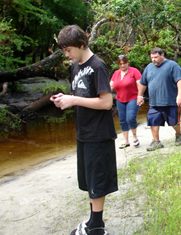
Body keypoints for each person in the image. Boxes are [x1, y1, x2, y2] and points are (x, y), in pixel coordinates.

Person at [50, 24, 117, 235]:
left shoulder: (98, 66)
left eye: (68, 50)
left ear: (81, 45)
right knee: (89, 180)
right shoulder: (76, 67)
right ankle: (93, 222)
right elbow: (81, 97)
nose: (66, 54)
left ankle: (97, 227)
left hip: (99, 134)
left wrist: (73, 99)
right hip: (84, 133)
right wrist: (64, 100)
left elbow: (106, 102)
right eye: (64, 51)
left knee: (97, 180)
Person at [137, 47, 181, 151]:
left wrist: (180, 94)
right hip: (154, 102)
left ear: (162, 55)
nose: (153, 60)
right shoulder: (149, 67)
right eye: (152, 58)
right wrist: (140, 95)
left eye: (156, 57)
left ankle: (179, 134)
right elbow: (143, 83)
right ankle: (156, 142)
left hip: (170, 101)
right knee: (153, 121)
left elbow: (180, 79)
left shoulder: (172, 65)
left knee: (174, 122)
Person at [110, 55, 142, 149]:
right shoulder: (116, 73)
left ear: (128, 62)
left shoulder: (134, 71)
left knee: (130, 118)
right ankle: (126, 141)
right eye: (120, 64)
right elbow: (110, 87)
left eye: (124, 63)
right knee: (123, 120)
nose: (123, 65)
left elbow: (140, 85)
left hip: (133, 98)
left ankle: (135, 136)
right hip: (120, 99)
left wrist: (140, 96)